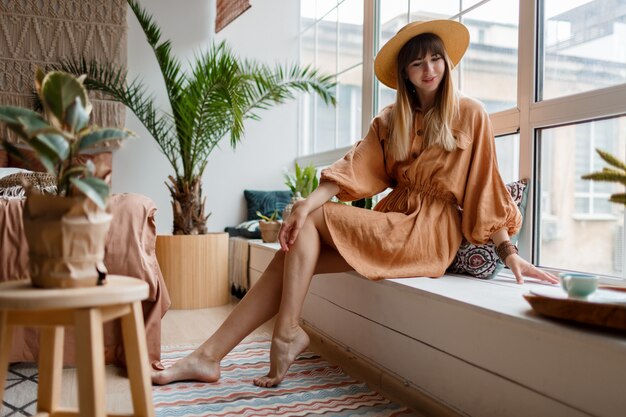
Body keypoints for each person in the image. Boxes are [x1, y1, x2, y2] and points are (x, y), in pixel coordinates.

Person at [151, 19, 559, 388]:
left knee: (311, 222)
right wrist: (304, 205)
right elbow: (354, 168)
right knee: (291, 256)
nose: (430, 69)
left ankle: (286, 333)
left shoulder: (471, 114)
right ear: (405, 74)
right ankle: (210, 356)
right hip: (391, 224)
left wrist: (509, 253)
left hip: (427, 236)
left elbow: (484, 190)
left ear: (448, 63)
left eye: (436, 58)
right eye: (418, 64)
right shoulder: (389, 121)